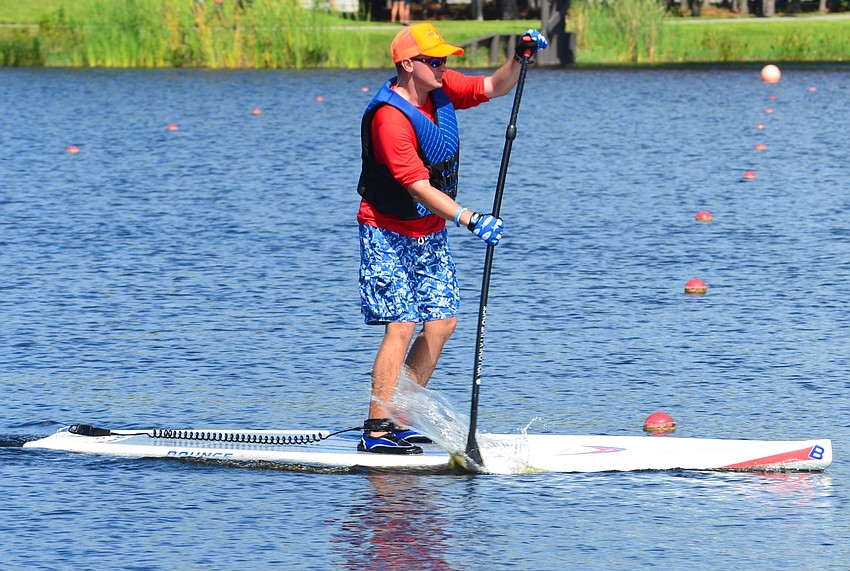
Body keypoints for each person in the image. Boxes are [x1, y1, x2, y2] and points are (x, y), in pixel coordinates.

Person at [355, 23, 548, 454]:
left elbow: (495, 86)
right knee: (401, 325)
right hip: (386, 231)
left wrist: (520, 57)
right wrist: (471, 219)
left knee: (442, 323)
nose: (444, 67)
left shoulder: (441, 89)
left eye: (445, 59)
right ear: (407, 64)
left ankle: (400, 418)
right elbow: (418, 187)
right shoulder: (389, 118)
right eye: (435, 60)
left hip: (429, 231)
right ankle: (375, 429)